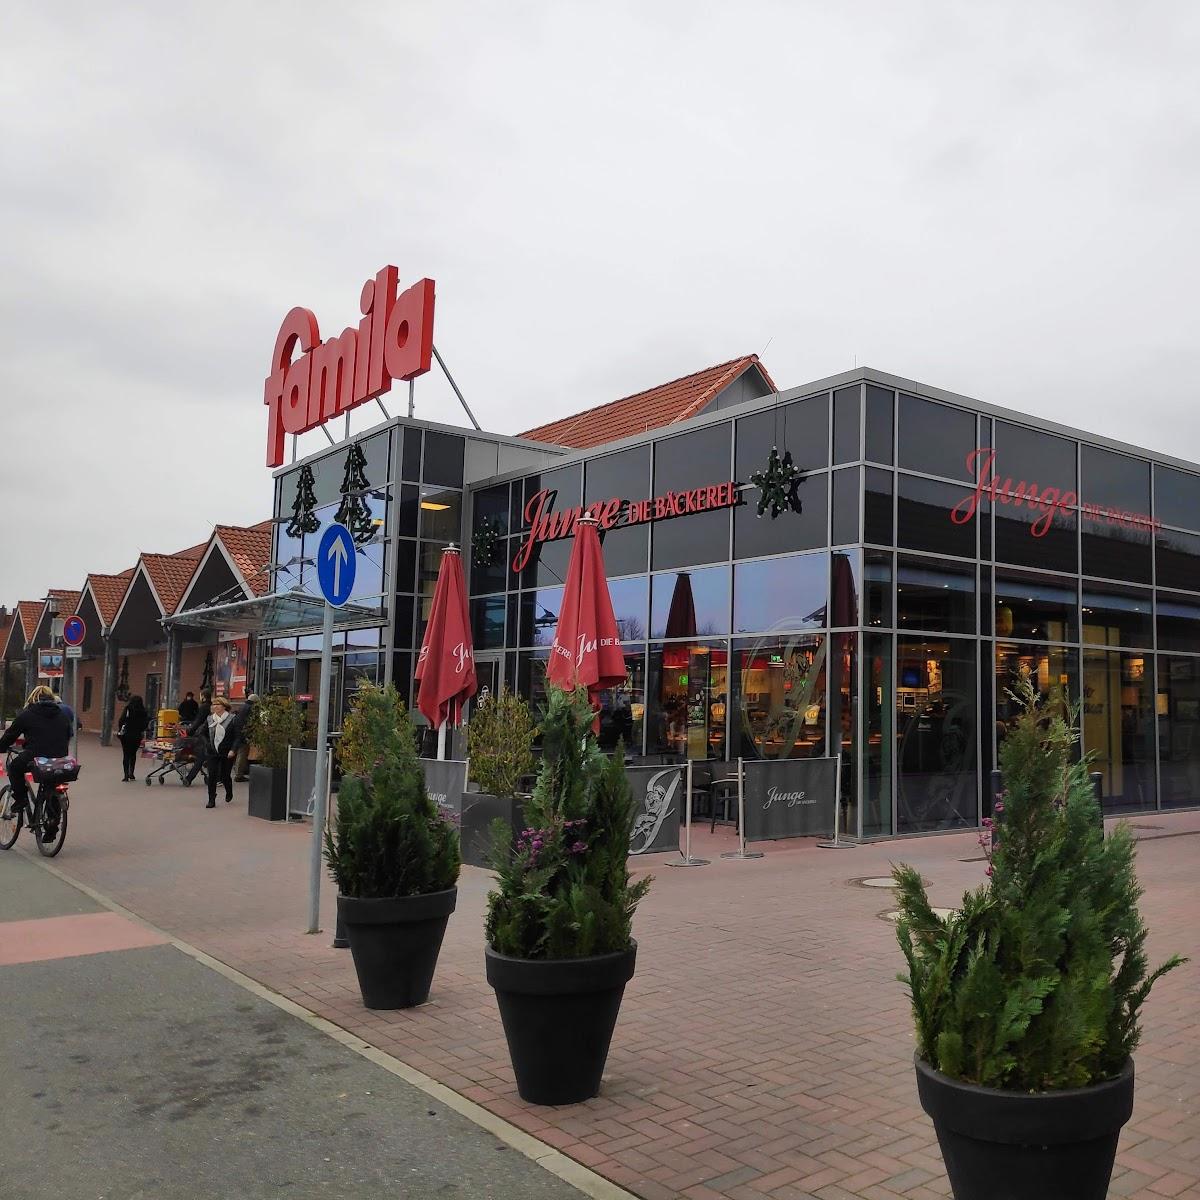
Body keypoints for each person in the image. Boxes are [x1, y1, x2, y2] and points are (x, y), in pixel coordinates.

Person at [0, 685, 73, 820]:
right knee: (53, 784)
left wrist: (1, 747)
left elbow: (10, 735)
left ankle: (21, 799)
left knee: (14, 768)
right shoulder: (62, 715)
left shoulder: (27, 714)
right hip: (60, 760)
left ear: (32, 699)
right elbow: (69, 735)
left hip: (35, 757)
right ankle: (52, 827)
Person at [202, 696, 239, 808]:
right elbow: (202, 733)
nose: (215, 706)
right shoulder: (210, 719)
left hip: (227, 752)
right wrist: (207, 744)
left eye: (217, 704)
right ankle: (211, 799)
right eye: (213, 704)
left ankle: (229, 791)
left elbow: (238, 737)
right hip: (212, 751)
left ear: (224, 706)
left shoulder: (232, 719)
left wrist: (233, 750)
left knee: (224, 775)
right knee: (212, 775)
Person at [116, 695, 150, 782]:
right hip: (137, 735)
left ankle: (126, 775)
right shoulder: (143, 711)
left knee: (126, 754)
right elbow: (145, 724)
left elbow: (121, 720)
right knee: (133, 754)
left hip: (126, 735)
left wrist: (121, 728)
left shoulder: (128, 709)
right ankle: (132, 773)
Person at [182, 691, 212, 786]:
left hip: (204, 735)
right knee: (206, 757)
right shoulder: (210, 706)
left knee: (201, 757)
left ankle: (189, 778)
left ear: (203, 697)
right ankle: (190, 778)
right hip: (210, 735)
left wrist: (189, 731)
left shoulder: (204, 707)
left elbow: (198, 721)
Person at [232, 693, 258, 782]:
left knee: (240, 752)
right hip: (244, 733)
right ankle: (239, 775)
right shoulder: (251, 708)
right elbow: (252, 721)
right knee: (242, 752)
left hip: (238, 731)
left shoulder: (242, 706)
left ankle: (239, 772)